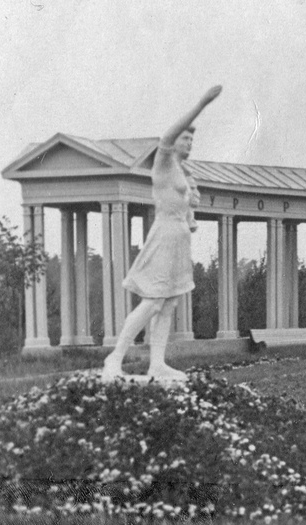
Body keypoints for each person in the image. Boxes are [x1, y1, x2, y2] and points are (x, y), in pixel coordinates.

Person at [102, 85, 223, 381]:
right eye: (186, 137)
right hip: (165, 237)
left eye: (192, 138)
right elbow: (167, 138)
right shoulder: (164, 163)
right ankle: (115, 357)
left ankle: (157, 363)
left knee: (169, 302)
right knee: (153, 301)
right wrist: (201, 103)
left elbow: (185, 206)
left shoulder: (182, 171)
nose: (189, 142)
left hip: (180, 239)